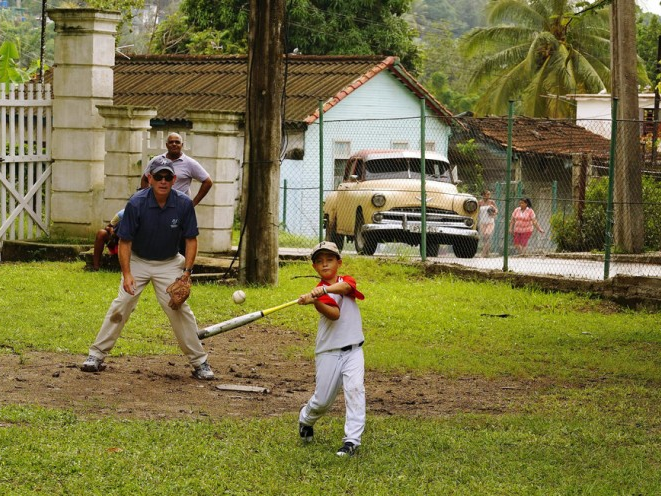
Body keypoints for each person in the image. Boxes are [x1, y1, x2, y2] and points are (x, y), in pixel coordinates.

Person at [81, 157, 214, 380]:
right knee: (122, 304)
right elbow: (125, 242)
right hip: (138, 260)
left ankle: (200, 362)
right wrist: (127, 274)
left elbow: (191, 240)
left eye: (167, 177)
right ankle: (96, 355)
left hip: (169, 261)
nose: (163, 181)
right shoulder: (136, 203)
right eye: (158, 177)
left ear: (174, 179)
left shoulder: (183, 204)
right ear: (149, 178)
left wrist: (186, 273)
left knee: (179, 308)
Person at [297, 241, 366, 457]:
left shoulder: (345, 281)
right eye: (319, 261)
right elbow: (333, 314)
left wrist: (320, 292)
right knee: (323, 401)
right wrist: (315, 301)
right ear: (315, 267)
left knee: (355, 390)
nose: (325, 264)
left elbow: (345, 289)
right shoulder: (321, 292)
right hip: (329, 351)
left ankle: (351, 441)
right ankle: (305, 419)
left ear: (339, 262)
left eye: (329, 259)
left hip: (354, 350)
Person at [140, 132, 212, 207]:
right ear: (166, 145)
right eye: (171, 142)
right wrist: (147, 200)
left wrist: (192, 204)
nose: (174, 144)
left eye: (177, 142)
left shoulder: (190, 163)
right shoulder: (156, 161)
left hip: (179, 207)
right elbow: (145, 179)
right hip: (157, 206)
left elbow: (208, 182)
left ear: (182, 145)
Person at [477, 190, 498, 257]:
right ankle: (487, 253)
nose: (488, 196)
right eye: (487, 194)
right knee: (484, 238)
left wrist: (493, 213)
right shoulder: (479, 202)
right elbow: (476, 211)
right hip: (482, 222)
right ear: (483, 195)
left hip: (490, 222)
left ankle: (483, 253)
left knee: (487, 235)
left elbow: (496, 211)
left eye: (489, 194)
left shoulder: (491, 202)